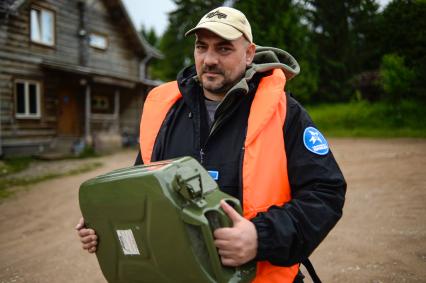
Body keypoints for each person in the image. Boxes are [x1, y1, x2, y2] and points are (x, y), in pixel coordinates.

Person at [76, 6, 346, 283]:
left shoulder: (285, 113)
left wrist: (260, 236)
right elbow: (140, 190)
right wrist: (104, 222)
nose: (209, 59)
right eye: (201, 47)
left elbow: (326, 192)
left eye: (224, 49)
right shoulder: (164, 114)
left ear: (249, 53)